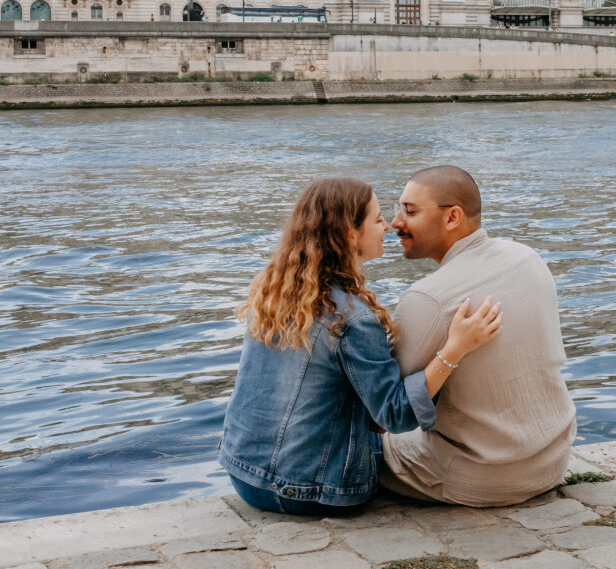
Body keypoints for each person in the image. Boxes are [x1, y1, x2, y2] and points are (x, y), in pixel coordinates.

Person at [219, 177, 502, 515]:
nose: (388, 226)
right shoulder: (351, 318)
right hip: (310, 489)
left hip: (244, 475)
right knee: (410, 438)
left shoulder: (275, 291)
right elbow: (395, 414)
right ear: (348, 234)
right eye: (378, 218)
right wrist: (455, 348)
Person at [381, 165, 576, 507]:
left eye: (409, 211)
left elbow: (390, 405)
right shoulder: (526, 256)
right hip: (551, 459)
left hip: (483, 475)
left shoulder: (427, 297)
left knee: (359, 440)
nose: (395, 222)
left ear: (452, 217)